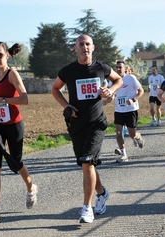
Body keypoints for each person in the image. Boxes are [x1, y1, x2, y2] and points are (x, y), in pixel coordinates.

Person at [51, 34, 122, 223]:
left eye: (88, 44)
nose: (85, 47)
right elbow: (55, 89)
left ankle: (86, 208)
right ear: (75, 48)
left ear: (93, 47)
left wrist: (111, 91)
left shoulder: (101, 68)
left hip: (97, 123)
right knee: (86, 165)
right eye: (81, 44)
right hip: (76, 125)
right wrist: (66, 106)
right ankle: (102, 193)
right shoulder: (68, 71)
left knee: (87, 162)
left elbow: (118, 80)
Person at [0, 42, 38, 223]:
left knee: (16, 161)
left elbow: (25, 99)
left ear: (7, 55)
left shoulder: (12, 74)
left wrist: (2, 99)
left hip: (14, 125)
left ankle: (31, 188)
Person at [104, 60, 145, 163]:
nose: (118, 69)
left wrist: (133, 99)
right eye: (116, 67)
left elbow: (141, 91)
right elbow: (111, 95)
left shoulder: (131, 78)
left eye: (120, 67)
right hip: (119, 110)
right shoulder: (113, 81)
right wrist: (106, 101)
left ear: (125, 68)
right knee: (118, 133)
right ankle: (124, 154)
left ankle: (137, 136)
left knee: (132, 134)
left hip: (131, 110)